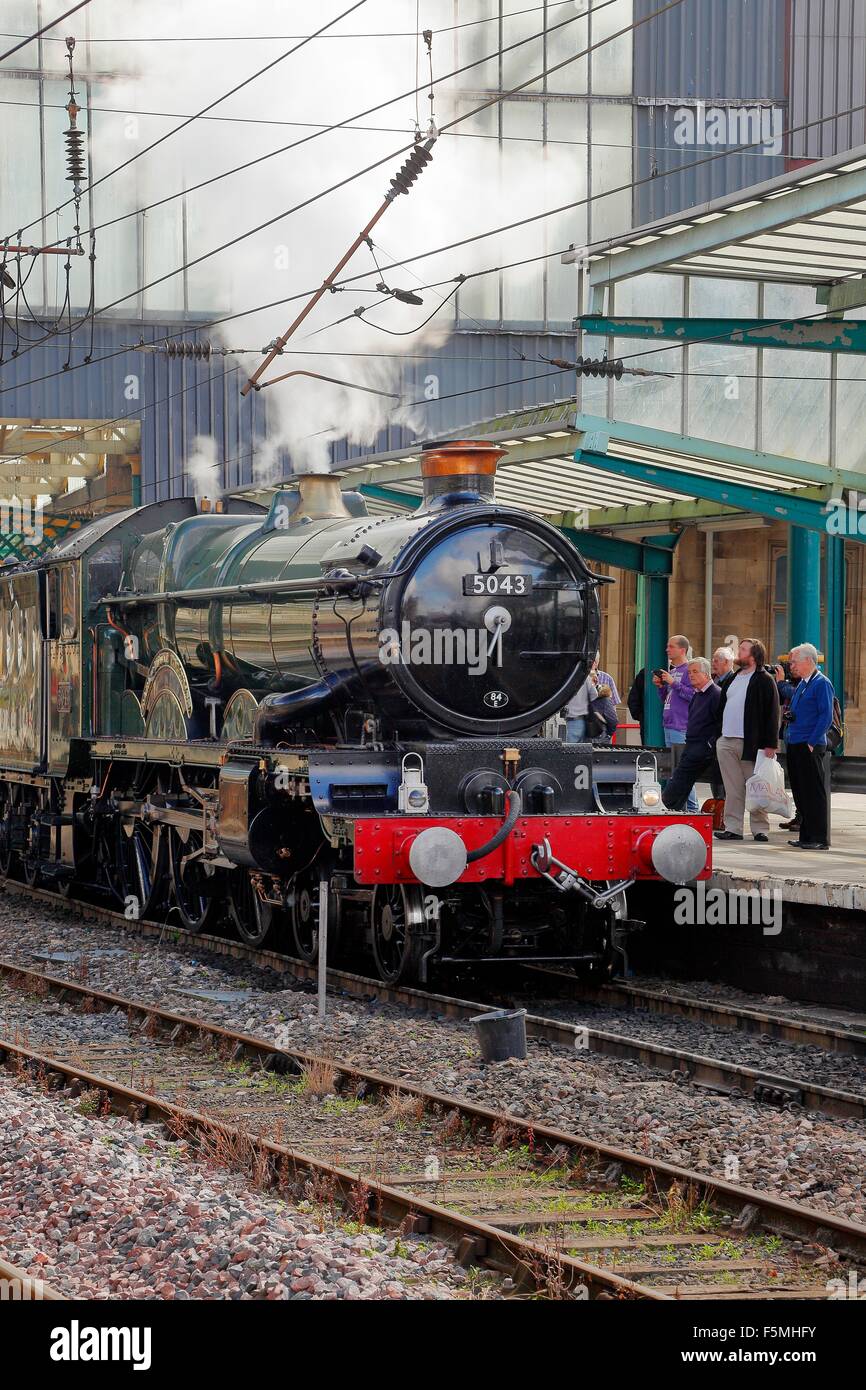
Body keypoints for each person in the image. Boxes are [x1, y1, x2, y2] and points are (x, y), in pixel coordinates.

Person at [714, 638, 780, 842]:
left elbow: (772, 713)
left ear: (753, 656)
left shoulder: (764, 679)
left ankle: (760, 829)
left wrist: (770, 744)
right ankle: (733, 827)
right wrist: (718, 736)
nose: (738, 652)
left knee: (755, 785)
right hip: (726, 741)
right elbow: (722, 707)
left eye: (742, 649)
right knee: (732, 787)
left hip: (750, 743)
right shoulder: (733, 678)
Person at [777, 643, 834, 849]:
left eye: (794, 662)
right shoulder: (802, 683)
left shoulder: (821, 683)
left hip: (809, 744)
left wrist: (811, 741)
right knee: (801, 791)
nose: (791, 665)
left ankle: (819, 838)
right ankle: (806, 836)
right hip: (795, 741)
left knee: (813, 792)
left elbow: (826, 716)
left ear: (808, 661)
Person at [661, 658, 721, 811]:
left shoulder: (715, 694)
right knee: (681, 780)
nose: (691, 675)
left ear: (706, 674)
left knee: (679, 779)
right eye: (689, 672)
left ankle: (668, 809)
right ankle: (674, 811)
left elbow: (720, 723)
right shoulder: (698, 694)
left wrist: (709, 744)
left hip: (703, 748)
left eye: (695, 672)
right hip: (692, 745)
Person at [652, 635, 698, 811]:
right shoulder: (672, 671)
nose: (667, 650)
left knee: (682, 771)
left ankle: (693, 809)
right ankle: (681, 808)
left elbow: (692, 695)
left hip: (681, 726)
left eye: (671, 647)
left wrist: (674, 683)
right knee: (673, 771)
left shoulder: (689, 670)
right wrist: (662, 686)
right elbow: (667, 698)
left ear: (682, 650)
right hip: (669, 725)